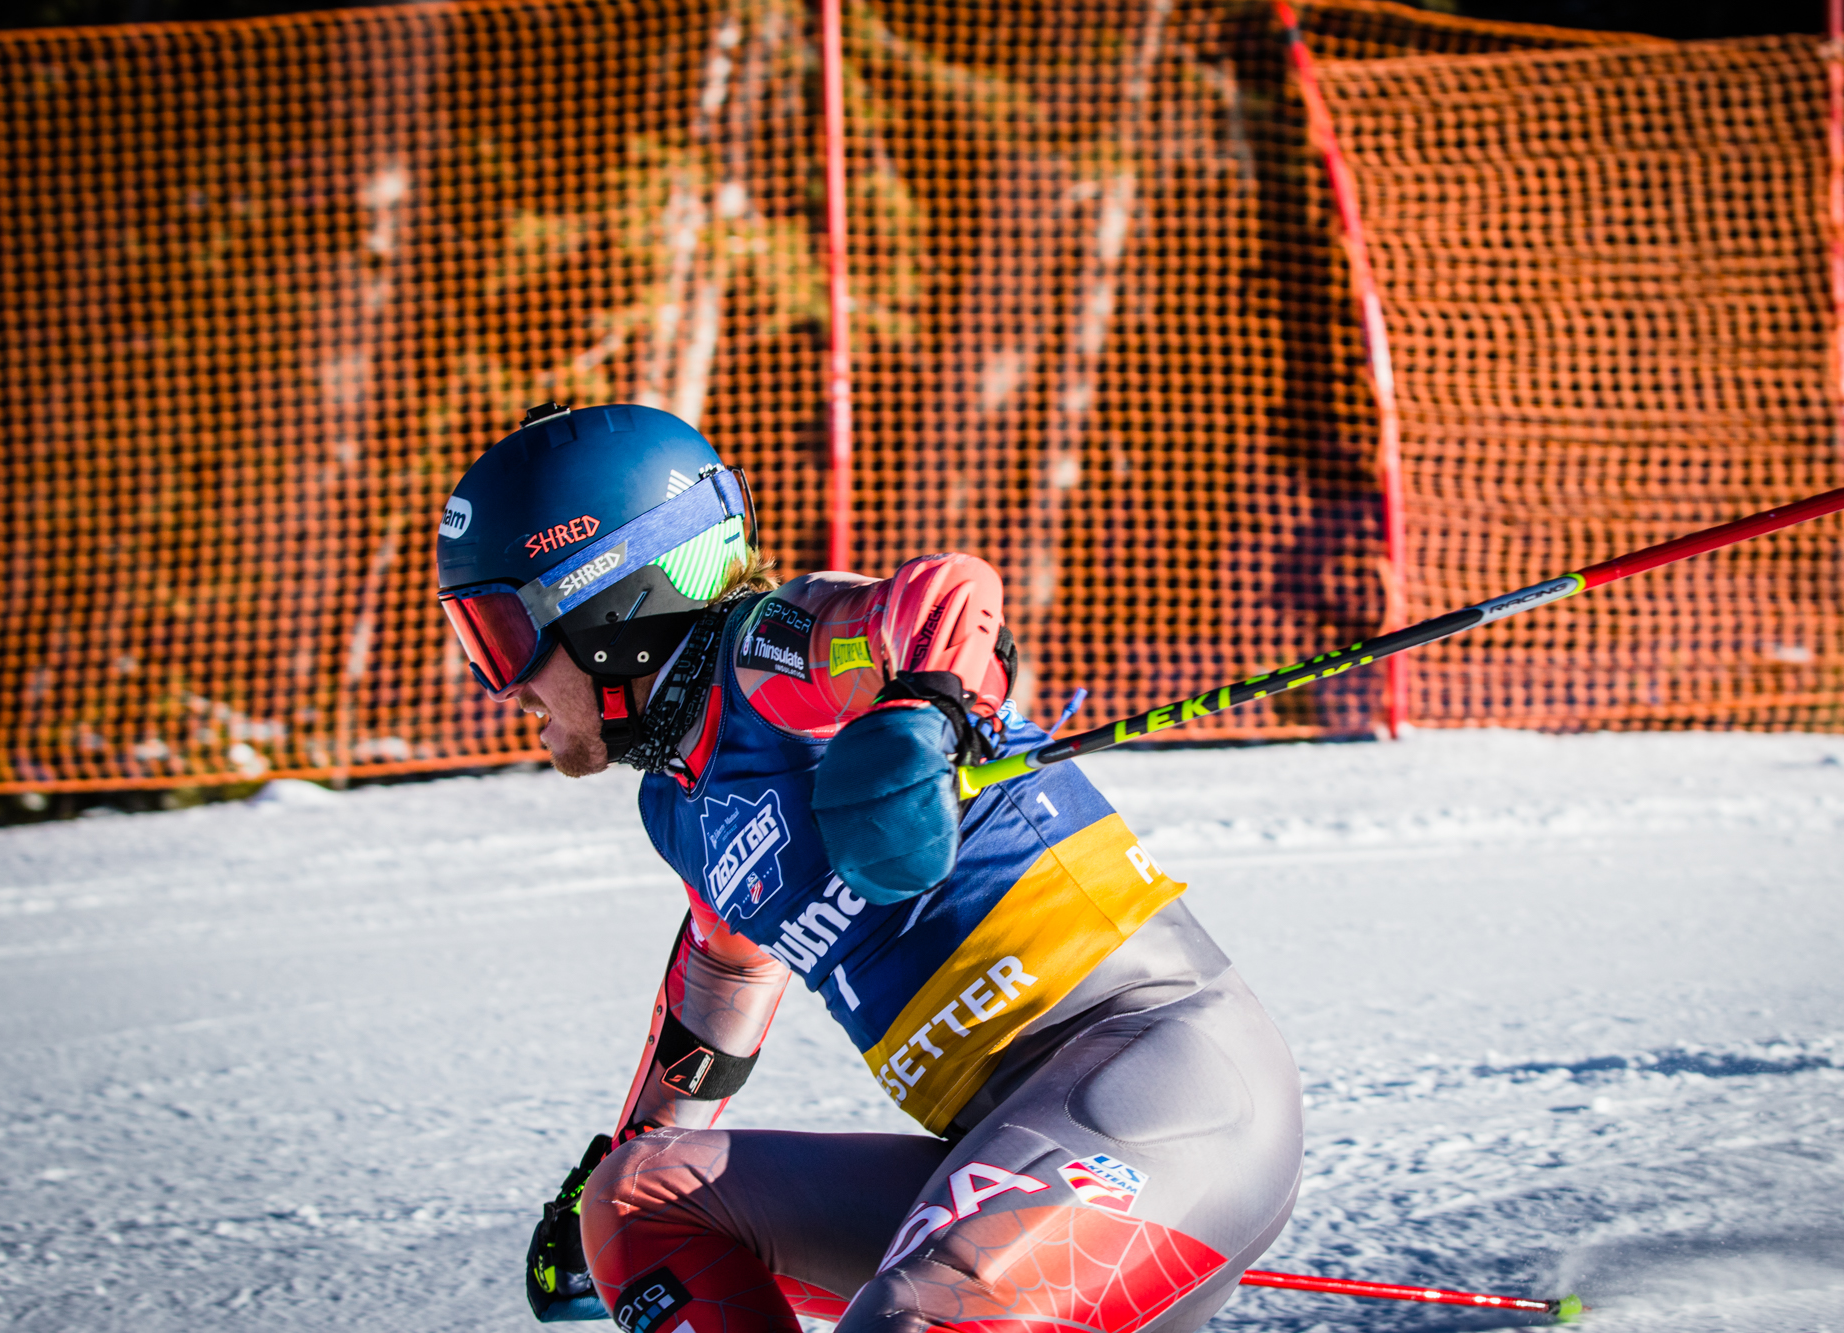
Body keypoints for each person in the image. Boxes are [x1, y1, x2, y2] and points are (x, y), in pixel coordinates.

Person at [435, 402, 1303, 1333]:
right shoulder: (677, 803)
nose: (506, 684)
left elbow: (942, 603)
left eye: (500, 635)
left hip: (1163, 1079)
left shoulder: (772, 657)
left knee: (919, 1316)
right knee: (635, 1202)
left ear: (608, 605)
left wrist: (921, 710)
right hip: (1007, 1139)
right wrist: (632, 1148)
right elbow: (725, 968)